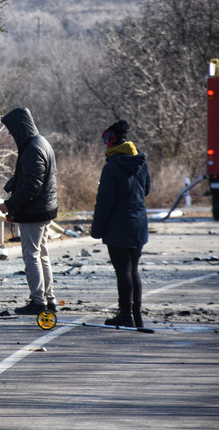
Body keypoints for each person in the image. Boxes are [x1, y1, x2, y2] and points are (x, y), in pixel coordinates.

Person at [90, 120, 152, 328]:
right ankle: (136, 316)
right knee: (133, 270)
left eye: (107, 139)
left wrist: (96, 230)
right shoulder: (141, 162)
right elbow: (147, 189)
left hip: (119, 227)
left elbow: (104, 202)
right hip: (138, 225)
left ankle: (126, 315)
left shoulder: (112, 167)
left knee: (123, 271)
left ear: (112, 141)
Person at [0, 108, 59, 315]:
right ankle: (49, 299)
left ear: (20, 128)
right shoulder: (40, 142)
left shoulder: (32, 148)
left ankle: (38, 301)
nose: (10, 135)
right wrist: (13, 183)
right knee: (42, 254)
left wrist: (11, 204)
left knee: (31, 255)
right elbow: (33, 176)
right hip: (45, 209)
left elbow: (33, 185)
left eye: (11, 130)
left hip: (35, 212)